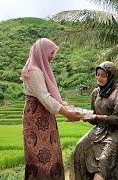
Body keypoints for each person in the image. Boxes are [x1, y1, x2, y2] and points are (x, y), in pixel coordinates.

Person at [21, 38, 82, 180]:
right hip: (37, 119)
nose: (52, 57)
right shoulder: (34, 71)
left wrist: (64, 105)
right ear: (42, 53)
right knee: (41, 159)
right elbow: (45, 98)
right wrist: (66, 113)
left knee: (50, 155)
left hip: (43, 117)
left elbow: (46, 96)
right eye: (50, 54)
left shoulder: (36, 69)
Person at [69, 61, 118, 180]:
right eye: (98, 75)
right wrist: (84, 116)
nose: (99, 78)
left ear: (111, 77)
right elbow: (94, 117)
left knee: (105, 159)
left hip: (116, 132)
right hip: (100, 130)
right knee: (79, 148)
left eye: (103, 75)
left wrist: (96, 117)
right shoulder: (96, 93)